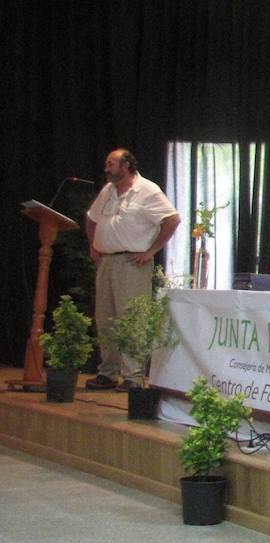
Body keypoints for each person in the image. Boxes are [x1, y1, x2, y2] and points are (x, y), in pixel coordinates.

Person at [85, 148, 181, 391]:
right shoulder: (108, 191)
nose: (106, 168)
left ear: (126, 166)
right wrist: (93, 245)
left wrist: (151, 251)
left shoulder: (147, 190)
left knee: (131, 319)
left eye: (111, 164)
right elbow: (91, 218)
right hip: (106, 261)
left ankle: (133, 376)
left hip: (132, 262)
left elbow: (172, 220)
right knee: (105, 318)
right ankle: (107, 372)